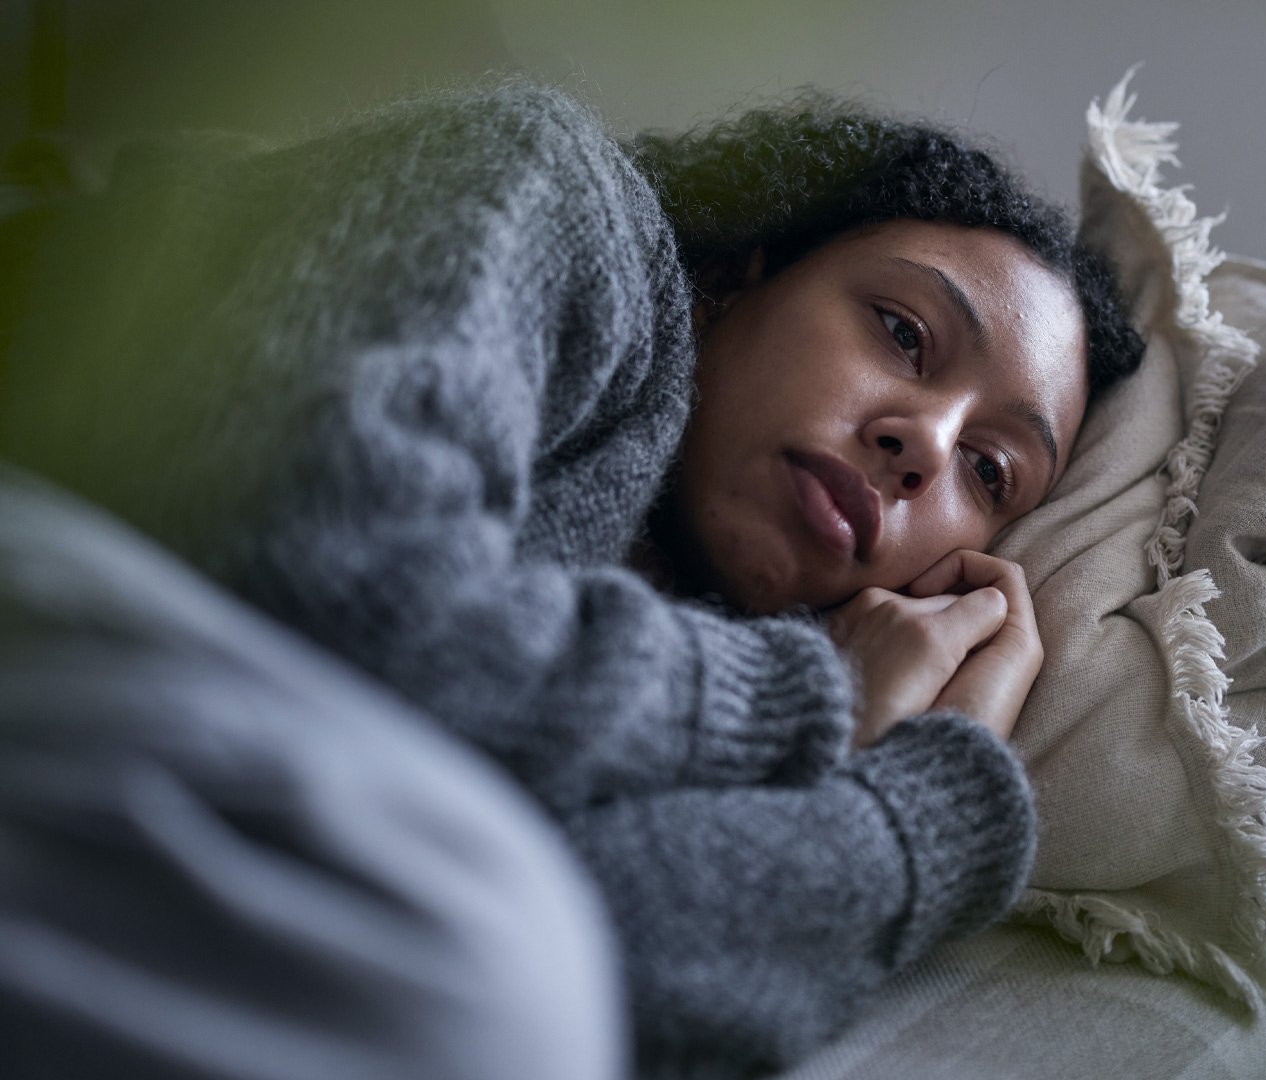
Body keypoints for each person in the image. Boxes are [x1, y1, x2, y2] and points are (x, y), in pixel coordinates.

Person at [0, 77, 1143, 1078]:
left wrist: (922, 808)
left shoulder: (669, 665)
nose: (925, 445)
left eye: (991, 470)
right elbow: (334, 581)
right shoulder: (555, 198)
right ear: (746, 269)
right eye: (901, 332)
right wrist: (812, 695)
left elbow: (590, 970)